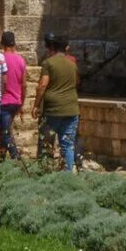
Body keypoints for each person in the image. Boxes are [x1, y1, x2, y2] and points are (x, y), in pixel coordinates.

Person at [33, 32, 80, 170]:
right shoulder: (73, 64)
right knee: (67, 145)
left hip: (53, 110)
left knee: (46, 143)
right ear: (66, 48)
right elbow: (77, 82)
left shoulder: (49, 63)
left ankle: (44, 174)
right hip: (71, 109)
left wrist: (36, 105)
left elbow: (42, 85)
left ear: (53, 46)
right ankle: (68, 176)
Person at [0, 30, 28, 158]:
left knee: (5, 132)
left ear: (2, 44)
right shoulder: (21, 60)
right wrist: (21, 103)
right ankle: (1, 160)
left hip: (3, 102)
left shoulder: (0, 59)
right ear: (14, 43)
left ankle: (17, 158)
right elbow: (24, 84)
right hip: (15, 102)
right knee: (4, 130)